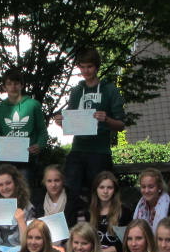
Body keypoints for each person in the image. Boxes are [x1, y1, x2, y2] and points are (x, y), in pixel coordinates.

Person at [54, 48, 126, 214]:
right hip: (78, 149)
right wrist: (61, 122)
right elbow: (72, 122)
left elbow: (121, 124)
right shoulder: (76, 91)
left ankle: (99, 226)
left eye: (90, 67)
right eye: (83, 67)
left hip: (99, 151)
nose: (86, 71)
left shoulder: (110, 90)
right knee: (70, 192)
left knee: (99, 194)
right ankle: (72, 227)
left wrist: (106, 119)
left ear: (97, 67)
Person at [0, 68, 48, 185]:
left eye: (16, 83)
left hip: (28, 160)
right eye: (9, 84)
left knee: (25, 192)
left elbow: (42, 132)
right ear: (4, 87)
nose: (13, 87)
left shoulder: (33, 105)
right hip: (6, 161)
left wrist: (39, 145)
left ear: (22, 85)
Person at [0, 164, 34, 251]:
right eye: (0, 185)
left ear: (16, 183)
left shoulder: (27, 206)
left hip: (19, 251)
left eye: (8, 183)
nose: (5, 187)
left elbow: (28, 243)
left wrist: (21, 221)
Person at [88, 171, 132, 252]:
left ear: (114, 190)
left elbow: (125, 243)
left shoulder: (124, 212)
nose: (105, 191)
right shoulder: (88, 212)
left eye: (110, 188)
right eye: (101, 187)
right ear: (96, 189)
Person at [133, 168, 170, 233]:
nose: (146, 191)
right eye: (143, 187)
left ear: (159, 188)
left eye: (151, 187)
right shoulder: (140, 205)